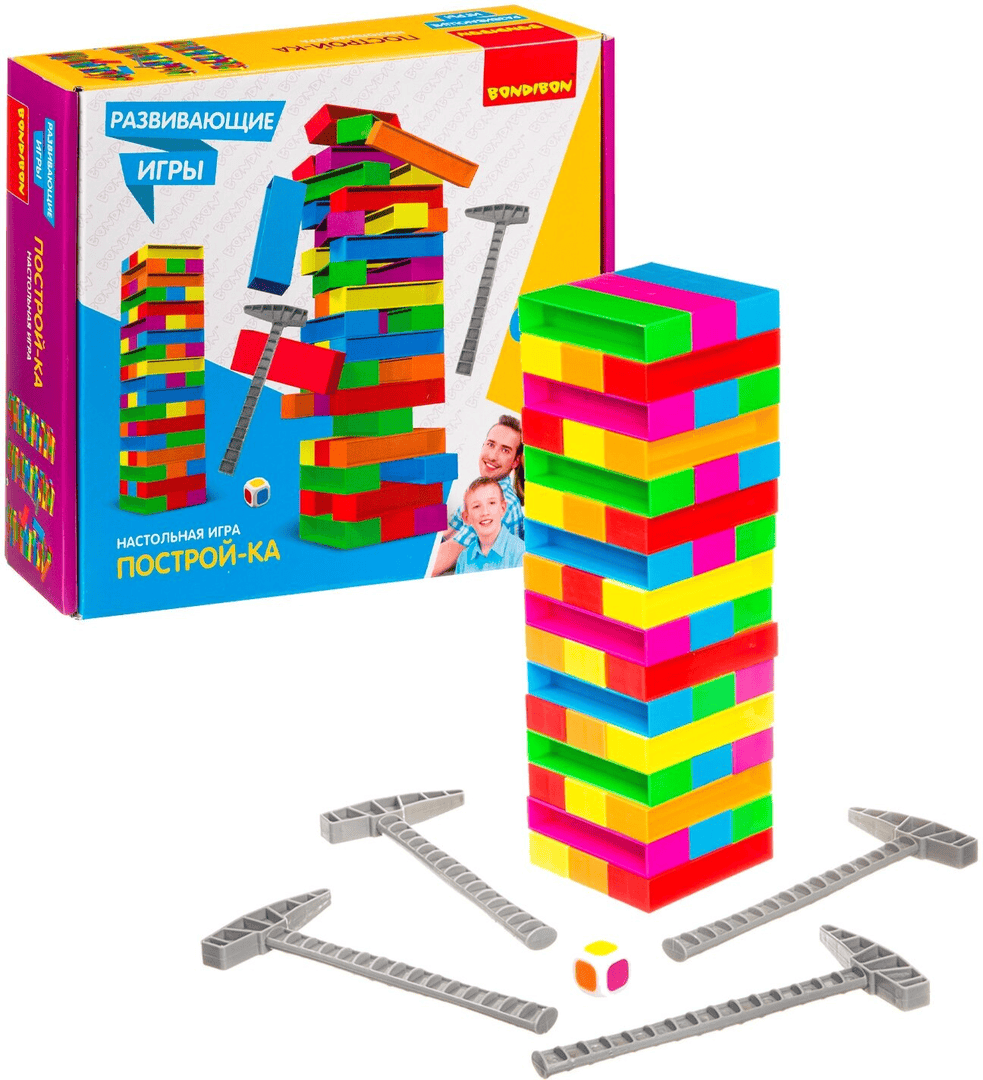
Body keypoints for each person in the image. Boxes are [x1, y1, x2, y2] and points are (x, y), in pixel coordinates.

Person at [431, 414, 525, 576]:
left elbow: (435, 564)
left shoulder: (503, 503)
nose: (492, 456)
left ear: (515, 461)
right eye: (490, 444)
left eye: (505, 450)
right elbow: (449, 532)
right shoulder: (481, 491)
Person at [454, 478, 525, 574]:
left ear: (503, 508)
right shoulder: (464, 559)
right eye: (476, 506)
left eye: (492, 503)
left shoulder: (521, 553)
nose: (485, 512)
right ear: (466, 517)